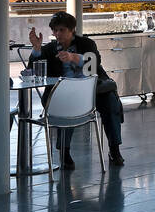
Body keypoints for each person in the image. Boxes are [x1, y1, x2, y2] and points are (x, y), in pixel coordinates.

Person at [28, 11, 126, 168]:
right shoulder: (50, 49)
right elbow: (33, 71)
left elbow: (95, 64)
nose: (58, 34)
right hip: (62, 93)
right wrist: (37, 49)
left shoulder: (86, 43)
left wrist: (74, 57)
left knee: (110, 101)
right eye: (55, 30)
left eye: (62, 30)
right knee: (66, 103)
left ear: (72, 29)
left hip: (91, 92)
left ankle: (114, 149)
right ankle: (64, 152)